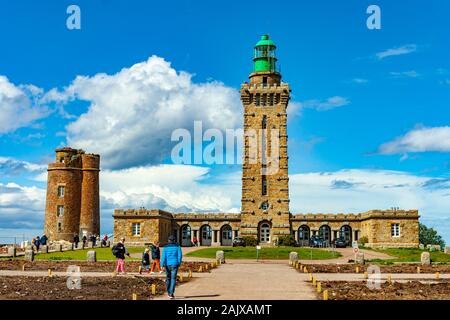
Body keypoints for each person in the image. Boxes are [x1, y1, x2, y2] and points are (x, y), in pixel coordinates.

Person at [160, 235, 182, 299]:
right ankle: (171, 293)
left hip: (167, 264)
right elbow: (179, 256)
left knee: (168, 278)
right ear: (174, 240)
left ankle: (168, 291)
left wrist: (161, 265)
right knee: (173, 279)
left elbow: (163, 257)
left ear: (168, 240)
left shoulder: (165, 247)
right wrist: (178, 263)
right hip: (175, 264)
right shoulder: (178, 247)